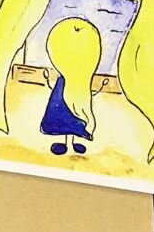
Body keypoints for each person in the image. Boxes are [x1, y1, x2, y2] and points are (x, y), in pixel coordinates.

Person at [40, 18, 108, 155]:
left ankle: (71, 142)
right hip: (65, 100)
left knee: (72, 122)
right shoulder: (77, 82)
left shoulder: (80, 82)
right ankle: (66, 143)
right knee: (68, 121)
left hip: (70, 95)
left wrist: (100, 87)